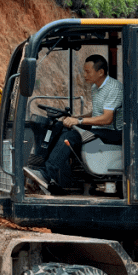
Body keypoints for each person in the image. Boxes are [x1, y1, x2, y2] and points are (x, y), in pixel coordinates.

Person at [29, 54, 122, 194]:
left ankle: (47, 174)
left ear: (100, 72)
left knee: (73, 135)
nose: (84, 74)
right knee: (61, 126)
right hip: (99, 128)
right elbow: (96, 112)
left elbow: (107, 118)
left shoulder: (114, 88)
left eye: (87, 71)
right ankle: (46, 173)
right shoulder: (95, 88)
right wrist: (76, 118)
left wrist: (79, 121)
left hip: (114, 132)